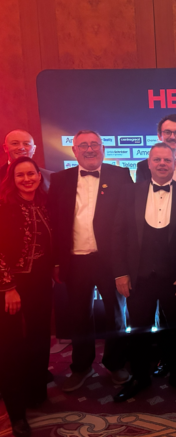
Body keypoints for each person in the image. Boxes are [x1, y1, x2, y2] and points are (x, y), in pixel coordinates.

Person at [111, 144, 176, 401]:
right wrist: (120, 273)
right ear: (148, 164)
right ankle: (140, 377)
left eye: (167, 160)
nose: (163, 163)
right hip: (138, 277)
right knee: (138, 330)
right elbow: (117, 234)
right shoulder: (129, 191)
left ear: (174, 164)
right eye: (157, 159)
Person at [48, 130, 133, 392]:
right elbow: (54, 223)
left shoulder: (120, 175)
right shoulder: (59, 179)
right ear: (74, 150)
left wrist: (126, 264)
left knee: (116, 314)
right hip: (75, 260)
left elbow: (129, 221)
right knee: (78, 316)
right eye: (83, 145)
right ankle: (82, 366)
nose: (89, 149)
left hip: (110, 260)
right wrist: (56, 262)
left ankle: (116, 363)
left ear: (103, 149)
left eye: (94, 144)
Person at [0, 157, 55, 437]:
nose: (26, 179)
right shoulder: (4, 207)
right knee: (10, 349)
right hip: (11, 287)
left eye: (31, 174)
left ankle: (36, 393)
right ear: (12, 179)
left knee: (39, 338)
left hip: (40, 283)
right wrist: (8, 287)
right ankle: (17, 414)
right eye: (20, 175)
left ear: (38, 175)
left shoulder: (44, 203)